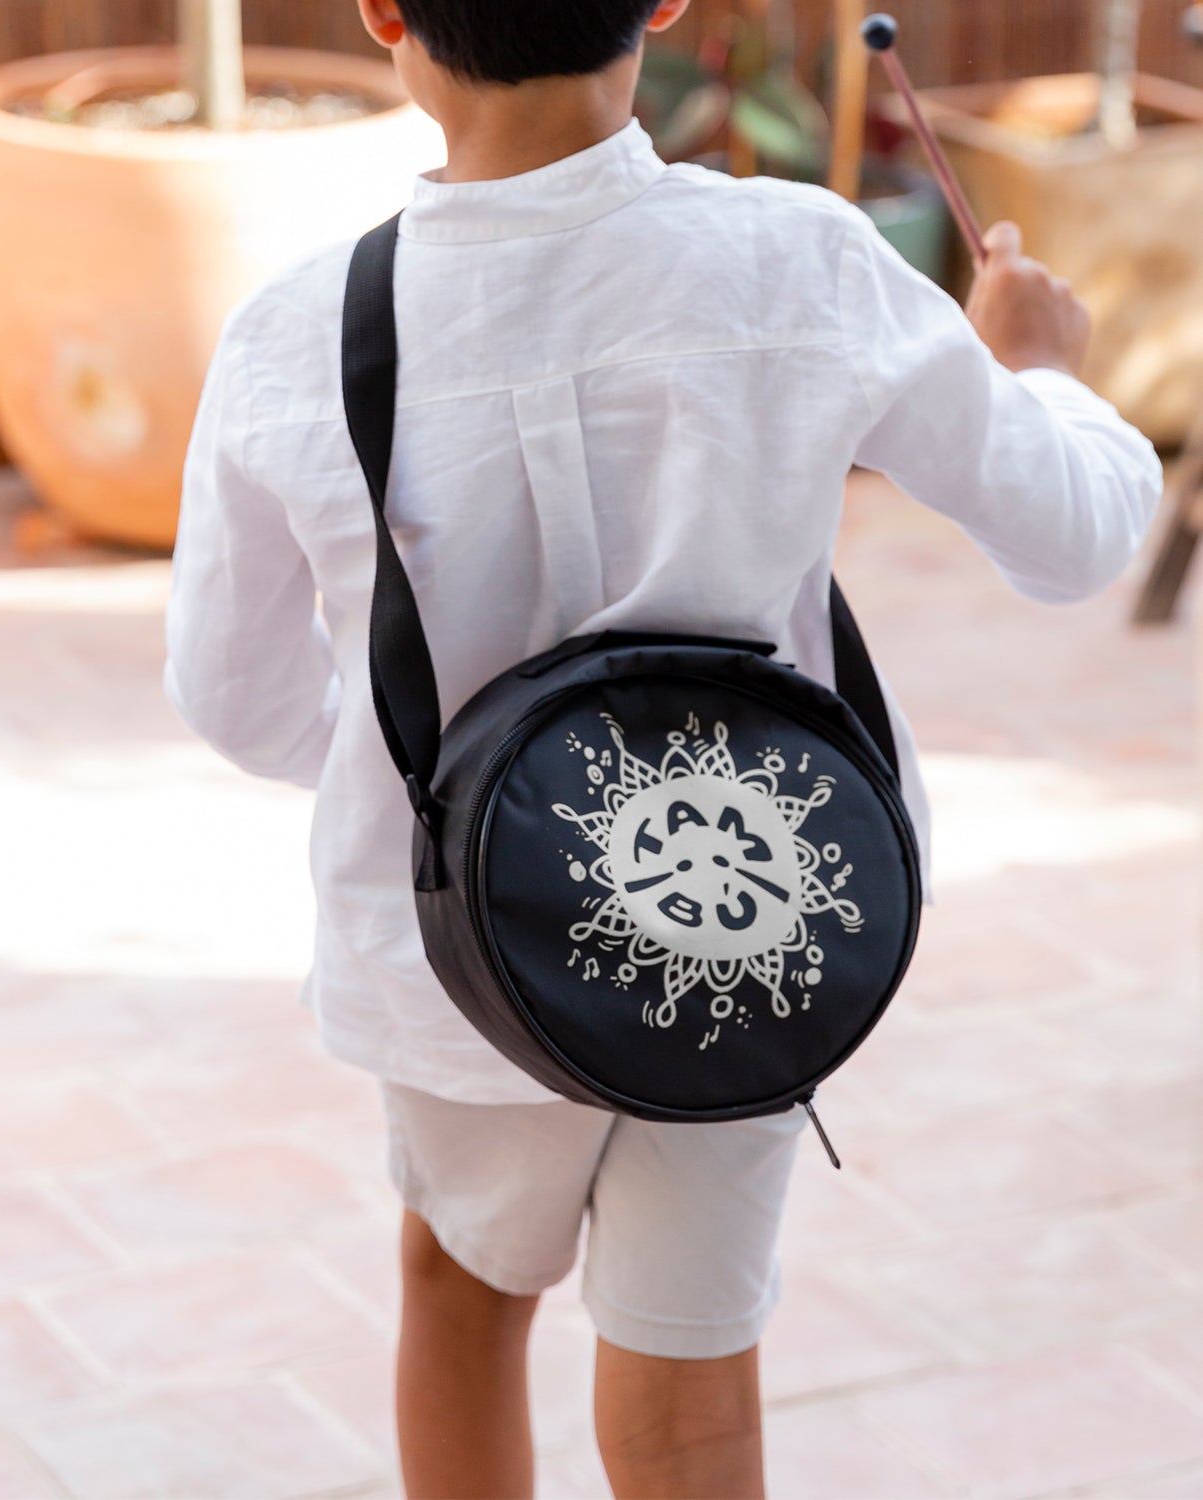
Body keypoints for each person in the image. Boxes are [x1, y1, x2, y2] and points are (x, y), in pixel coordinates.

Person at [164, 2, 1162, 1493]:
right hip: (755, 914)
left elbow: (234, 697)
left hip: (457, 969)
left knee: (461, 1288)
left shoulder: (294, 337)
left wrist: (447, 803)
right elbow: (1078, 535)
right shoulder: (802, 262)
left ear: (382, 10)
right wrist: (1038, 366)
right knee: (693, 1371)